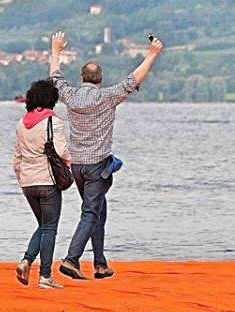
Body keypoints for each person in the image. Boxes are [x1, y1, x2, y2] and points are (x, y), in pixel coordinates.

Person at [49, 30, 162, 281]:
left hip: (77, 165)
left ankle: (100, 264)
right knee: (90, 212)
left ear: (82, 78)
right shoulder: (107, 97)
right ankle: (71, 259)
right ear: (100, 79)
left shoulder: (70, 96)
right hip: (97, 166)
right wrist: (153, 54)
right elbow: (133, 80)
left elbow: (55, 77)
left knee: (98, 207)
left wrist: (56, 50)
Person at [12, 79, 71, 289]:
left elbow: (17, 157)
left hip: (28, 183)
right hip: (48, 181)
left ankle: (26, 260)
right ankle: (45, 276)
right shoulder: (52, 122)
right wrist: (69, 163)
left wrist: (21, 179)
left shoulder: (21, 124)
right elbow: (62, 151)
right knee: (50, 227)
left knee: (43, 225)